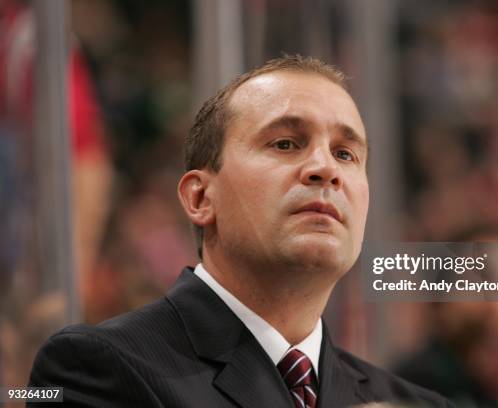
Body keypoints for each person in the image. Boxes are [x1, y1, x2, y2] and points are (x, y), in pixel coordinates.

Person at [29, 55, 452, 407]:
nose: (326, 169)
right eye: (285, 143)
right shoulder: (92, 368)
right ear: (199, 198)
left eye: (345, 153)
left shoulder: (421, 404)